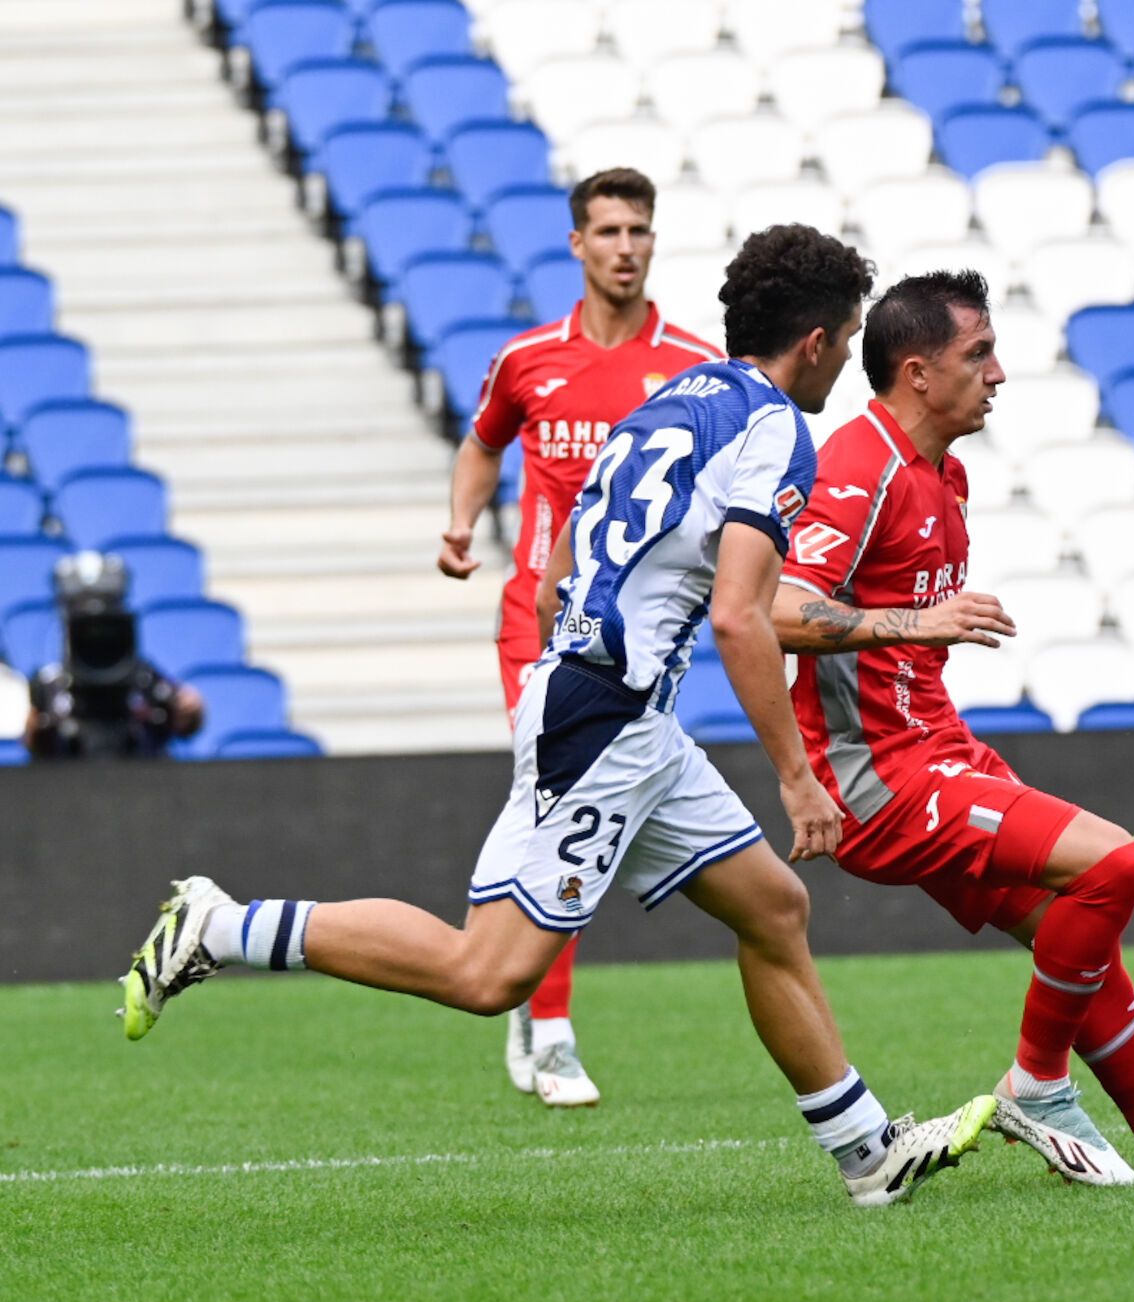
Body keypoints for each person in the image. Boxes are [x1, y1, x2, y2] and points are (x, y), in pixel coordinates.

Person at [120, 225, 997, 1209]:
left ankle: (865, 1152)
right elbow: (741, 613)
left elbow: (560, 565)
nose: (842, 361)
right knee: (485, 970)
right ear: (815, 343)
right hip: (604, 718)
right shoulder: (773, 429)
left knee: (773, 908)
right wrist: (795, 773)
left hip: (615, 709)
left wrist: (576, 659)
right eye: (842, 340)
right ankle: (222, 925)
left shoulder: (671, 399)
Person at [771, 271, 1134, 1182]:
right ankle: (1037, 1086)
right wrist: (915, 622)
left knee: (1074, 918)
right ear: (917, 372)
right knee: (1113, 864)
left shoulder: (946, 473)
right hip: (874, 781)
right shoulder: (861, 466)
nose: (1000, 373)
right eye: (978, 354)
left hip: (937, 750)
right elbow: (778, 609)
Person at [437, 166, 724, 1107]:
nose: (626, 247)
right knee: (564, 801)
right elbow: (484, 440)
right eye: (607, 231)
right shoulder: (528, 361)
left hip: (637, 640)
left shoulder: (692, 363)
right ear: (577, 244)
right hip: (536, 621)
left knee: (570, 807)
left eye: (639, 229)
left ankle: (513, 972)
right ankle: (548, 1018)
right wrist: (458, 523)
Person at [26, 552, 204, 760]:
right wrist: (37, 730)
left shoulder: (143, 677)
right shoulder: (51, 684)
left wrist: (191, 710)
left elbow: (184, 721)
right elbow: (38, 750)